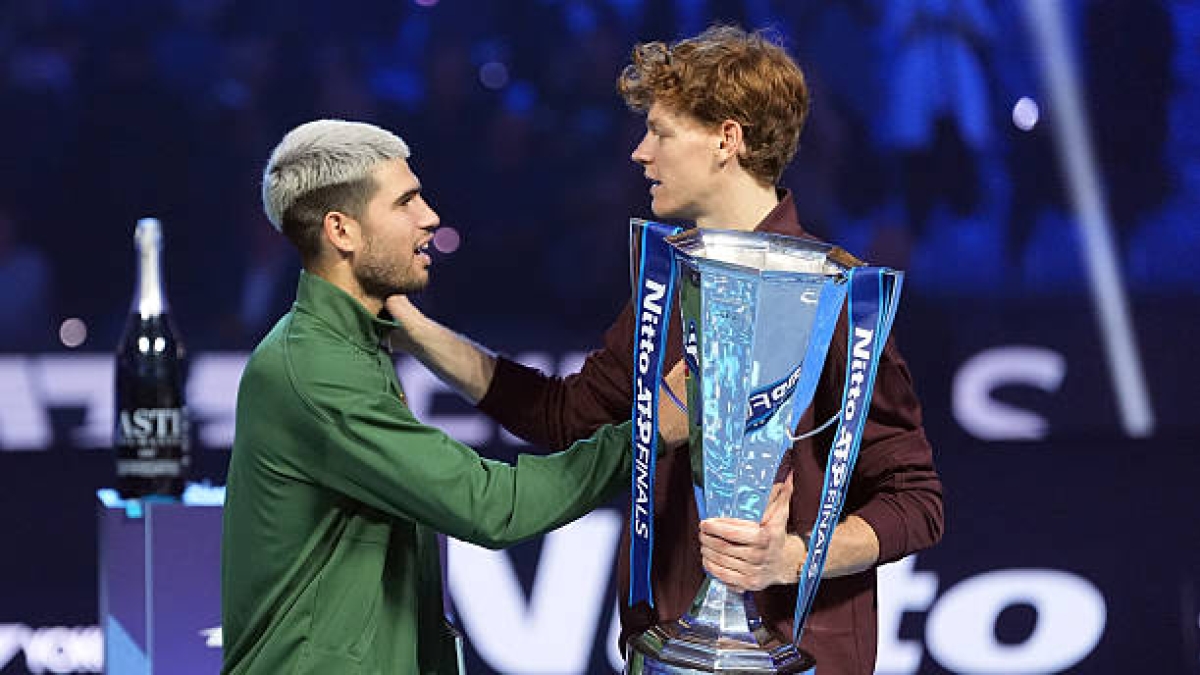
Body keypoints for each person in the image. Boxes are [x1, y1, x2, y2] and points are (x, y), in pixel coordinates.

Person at [388, 25, 944, 674]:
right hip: (666, 653)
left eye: (660, 131)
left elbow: (916, 501)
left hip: (800, 659)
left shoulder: (836, 294)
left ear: (726, 140)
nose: (640, 152)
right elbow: (563, 416)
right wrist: (413, 329)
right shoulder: (667, 288)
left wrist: (792, 557)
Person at [219, 119, 688, 675]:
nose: (430, 217)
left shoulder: (349, 344)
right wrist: (649, 435)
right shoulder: (316, 368)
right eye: (405, 202)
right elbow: (491, 507)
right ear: (341, 231)